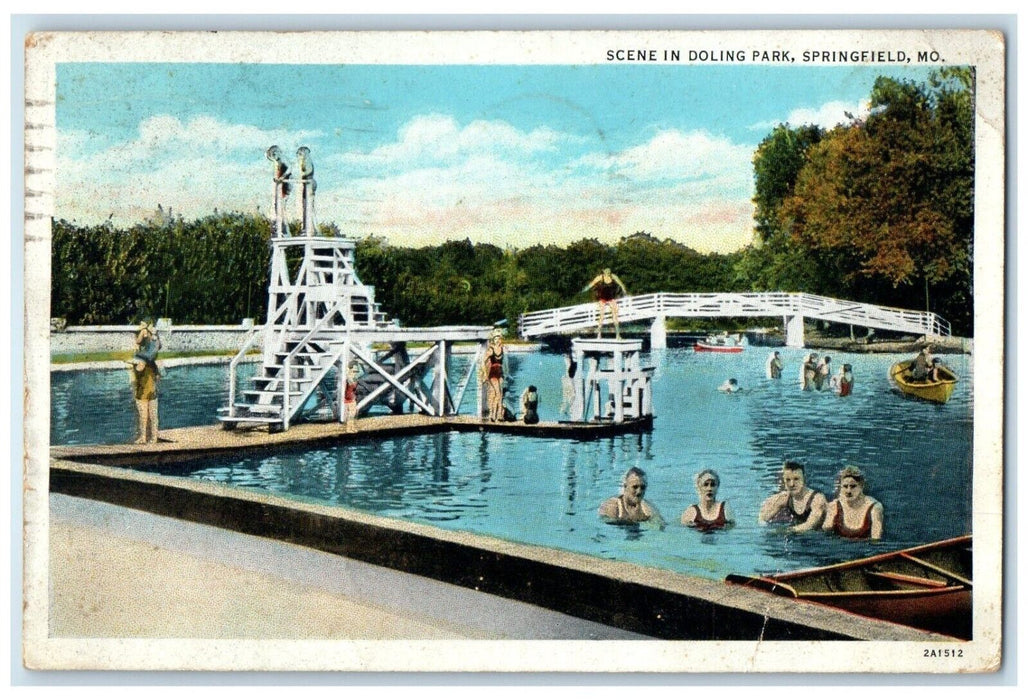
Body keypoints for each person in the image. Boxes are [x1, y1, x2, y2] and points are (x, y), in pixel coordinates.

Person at [758, 461, 827, 532]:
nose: (792, 484)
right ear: (783, 481)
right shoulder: (784, 497)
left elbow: (810, 525)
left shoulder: (817, 499)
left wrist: (783, 531)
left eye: (796, 479)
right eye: (788, 480)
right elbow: (763, 518)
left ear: (804, 479)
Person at [823, 466, 884, 540]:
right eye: (845, 486)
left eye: (853, 486)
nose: (848, 491)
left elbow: (876, 539)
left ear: (861, 486)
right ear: (840, 487)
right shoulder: (834, 506)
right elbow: (825, 536)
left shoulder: (875, 507)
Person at [598, 467, 663, 525]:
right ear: (625, 487)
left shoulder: (648, 508)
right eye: (635, 487)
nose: (639, 492)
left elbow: (660, 526)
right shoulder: (612, 505)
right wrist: (631, 520)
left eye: (642, 487)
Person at [583, 268, 629, 339]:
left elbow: (621, 284)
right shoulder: (600, 277)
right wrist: (585, 289)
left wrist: (624, 289)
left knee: (615, 315)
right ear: (604, 272)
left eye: (609, 272)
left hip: (611, 298)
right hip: (602, 298)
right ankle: (599, 334)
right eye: (607, 272)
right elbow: (592, 283)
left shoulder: (613, 276)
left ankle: (618, 335)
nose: (608, 273)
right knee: (601, 316)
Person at [129, 355, 160, 444]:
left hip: (150, 394)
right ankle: (145, 437)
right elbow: (157, 377)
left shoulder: (148, 365)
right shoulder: (145, 365)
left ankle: (152, 438)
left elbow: (157, 377)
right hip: (143, 394)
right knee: (145, 417)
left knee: (151, 417)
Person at [480, 329, 507, 421]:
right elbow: (483, 361)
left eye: (499, 338)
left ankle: (498, 415)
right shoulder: (491, 349)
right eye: (496, 339)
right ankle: (492, 414)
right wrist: (485, 373)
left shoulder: (503, 349)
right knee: (497, 393)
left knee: (500, 394)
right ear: (493, 340)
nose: (497, 340)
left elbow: (504, 363)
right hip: (493, 372)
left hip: (501, 372)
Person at [344, 362, 360, 433]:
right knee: (351, 413)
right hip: (349, 397)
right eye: (354, 371)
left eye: (356, 371)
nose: (355, 373)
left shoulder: (351, 377)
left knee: (353, 413)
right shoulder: (349, 377)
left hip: (351, 396)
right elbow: (351, 384)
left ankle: (351, 427)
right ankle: (349, 428)